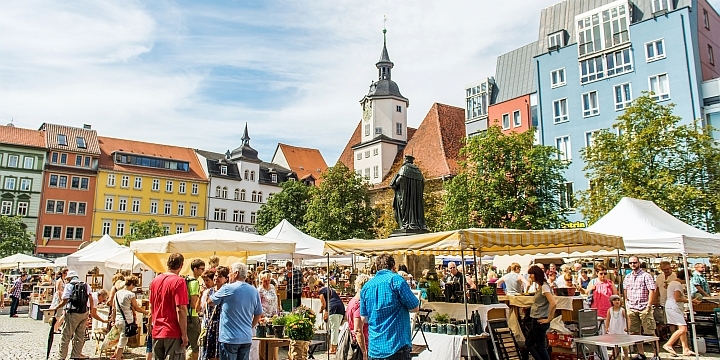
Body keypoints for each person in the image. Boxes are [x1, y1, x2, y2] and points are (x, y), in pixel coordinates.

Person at [360, 254, 420, 360]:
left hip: (375, 348)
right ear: (393, 267)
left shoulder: (366, 286)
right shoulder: (396, 280)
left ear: (377, 267)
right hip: (396, 345)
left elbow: (364, 319)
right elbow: (415, 307)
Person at [209, 262, 263, 360]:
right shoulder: (254, 290)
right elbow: (258, 313)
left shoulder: (227, 288)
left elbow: (210, 302)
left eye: (230, 272)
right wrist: (250, 326)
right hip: (246, 337)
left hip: (229, 338)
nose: (229, 275)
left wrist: (216, 290)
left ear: (236, 273)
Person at [149, 253, 189, 360]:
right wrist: (184, 334)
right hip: (172, 330)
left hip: (157, 329)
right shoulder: (179, 281)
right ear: (181, 265)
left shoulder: (155, 280)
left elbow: (151, 305)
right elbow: (181, 309)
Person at [52, 270, 95, 360]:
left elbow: (65, 300)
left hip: (73, 313)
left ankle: (62, 356)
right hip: (84, 312)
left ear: (69, 278)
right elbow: (91, 298)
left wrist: (56, 307)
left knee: (66, 335)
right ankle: (76, 354)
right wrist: (91, 310)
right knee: (80, 335)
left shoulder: (69, 286)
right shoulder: (86, 285)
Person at [623, 256, 656, 360]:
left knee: (650, 332)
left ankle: (656, 354)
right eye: (631, 263)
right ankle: (641, 353)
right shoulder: (627, 277)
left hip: (644, 307)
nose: (633, 264)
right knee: (635, 332)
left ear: (639, 263)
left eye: (635, 262)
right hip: (632, 307)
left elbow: (652, 290)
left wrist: (649, 305)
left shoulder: (646, 276)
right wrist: (627, 302)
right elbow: (625, 290)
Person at [664, 269, 699, 356]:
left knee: (683, 328)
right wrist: (690, 300)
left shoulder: (673, 283)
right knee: (683, 328)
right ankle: (668, 344)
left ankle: (685, 349)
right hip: (674, 307)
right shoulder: (678, 284)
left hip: (671, 306)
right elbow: (677, 298)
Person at [114, 276, 149, 360]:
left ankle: (117, 356)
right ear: (132, 284)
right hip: (127, 320)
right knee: (122, 342)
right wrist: (146, 312)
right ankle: (118, 358)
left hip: (118, 318)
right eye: (134, 285)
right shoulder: (130, 294)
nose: (134, 288)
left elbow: (114, 308)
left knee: (118, 340)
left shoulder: (117, 293)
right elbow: (136, 307)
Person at [525, 266, 556, 360]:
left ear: (536, 274)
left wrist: (549, 318)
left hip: (540, 320)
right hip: (537, 319)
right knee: (533, 344)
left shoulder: (544, 287)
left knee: (538, 346)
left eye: (531, 274)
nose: (530, 276)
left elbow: (553, 303)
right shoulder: (541, 286)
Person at [203, 266, 229, 360]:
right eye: (216, 275)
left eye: (220, 276)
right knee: (211, 355)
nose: (216, 278)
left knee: (220, 355)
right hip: (211, 325)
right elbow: (204, 308)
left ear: (226, 279)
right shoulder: (209, 291)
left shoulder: (227, 291)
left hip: (222, 326)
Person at [347, 274, 371, 360]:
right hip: (360, 345)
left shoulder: (352, 301)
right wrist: (364, 353)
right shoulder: (359, 304)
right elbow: (358, 330)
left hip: (354, 342)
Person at [317, 280, 345, 354]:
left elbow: (323, 304)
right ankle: (336, 347)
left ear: (317, 287)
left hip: (333, 309)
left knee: (333, 330)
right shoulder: (330, 289)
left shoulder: (321, 291)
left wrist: (320, 311)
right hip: (341, 308)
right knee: (336, 329)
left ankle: (333, 349)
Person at [187, 258, 206, 360]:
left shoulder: (187, 280)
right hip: (192, 316)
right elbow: (194, 303)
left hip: (186, 315)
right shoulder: (194, 282)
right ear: (195, 269)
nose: (203, 271)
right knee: (196, 345)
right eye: (201, 269)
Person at [605, 295, 628, 360]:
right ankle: (617, 357)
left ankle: (626, 357)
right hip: (613, 330)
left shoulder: (622, 310)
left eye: (618, 300)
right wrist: (606, 328)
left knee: (624, 345)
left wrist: (627, 327)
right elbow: (608, 319)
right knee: (615, 346)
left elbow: (628, 319)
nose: (617, 301)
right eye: (615, 300)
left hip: (621, 330)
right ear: (612, 302)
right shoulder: (610, 310)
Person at [654, 261, 677, 327]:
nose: (666, 271)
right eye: (664, 269)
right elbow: (657, 289)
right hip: (664, 302)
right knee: (668, 321)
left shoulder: (675, 276)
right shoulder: (659, 277)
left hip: (674, 302)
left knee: (676, 321)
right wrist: (655, 299)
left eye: (667, 269)